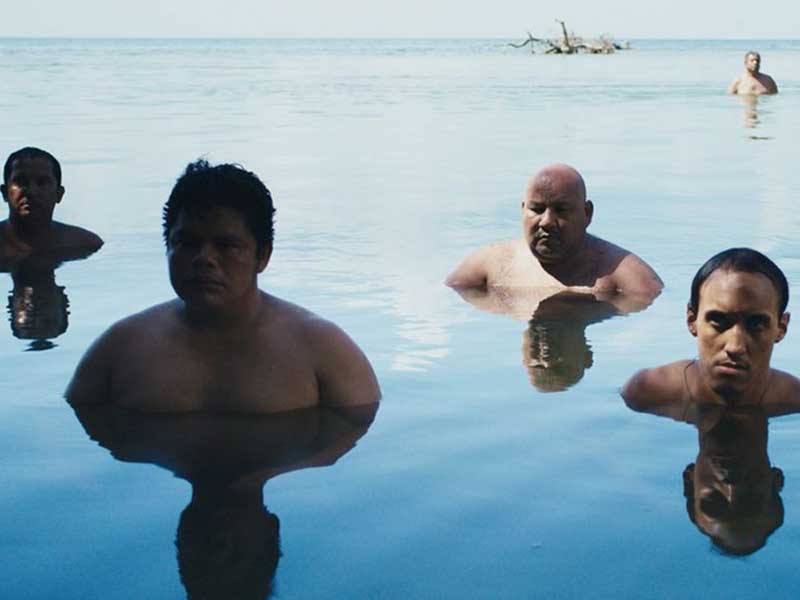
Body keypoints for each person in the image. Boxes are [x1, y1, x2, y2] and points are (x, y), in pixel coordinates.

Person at [66, 159, 380, 412]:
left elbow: (359, 444)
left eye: (226, 245)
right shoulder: (120, 350)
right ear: (167, 247)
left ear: (263, 256)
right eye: (187, 243)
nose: (204, 259)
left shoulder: (325, 351)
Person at [445, 164, 662, 306]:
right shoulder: (489, 265)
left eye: (561, 210)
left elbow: (649, 325)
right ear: (523, 210)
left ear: (587, 213)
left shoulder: (626, 276)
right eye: (537, 209)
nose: (547, 221)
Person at [622, 248, 800, 419]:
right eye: (718, 321)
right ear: (692, 319)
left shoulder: (795, 400)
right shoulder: (647, 392)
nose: (735, 347)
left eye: (755, 325)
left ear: (781, 327)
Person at [0, 147, 103, 259]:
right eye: (21, 182)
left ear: (59, 194)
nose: (31, 191)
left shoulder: (86, 244)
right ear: (5, 193)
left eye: (42, 182)